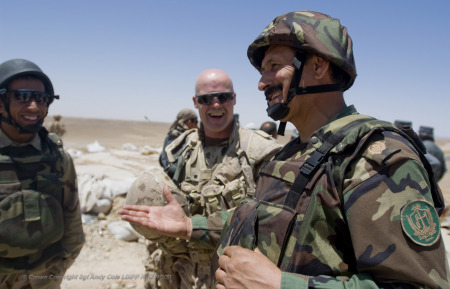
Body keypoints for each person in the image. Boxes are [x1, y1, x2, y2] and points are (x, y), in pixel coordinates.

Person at [211, 11, 449, 288]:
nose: (262, 82)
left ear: (318, 66)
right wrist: (188, 226)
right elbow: (257, 217)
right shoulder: (290, 153)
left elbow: (416, 285)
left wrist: (281, 285)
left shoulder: (374, 157)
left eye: (274, 66)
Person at [120, 68, 282, 289]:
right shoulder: (179, 150)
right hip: (183, 273)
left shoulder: (261, 151)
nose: (215, 105)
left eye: (223, 97)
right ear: (196, 103)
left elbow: (268, 219)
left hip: (229, 276)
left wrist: (191, 227)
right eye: (207, 99)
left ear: (234, 99)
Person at [0, 59, 84, 288]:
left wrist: (59, 267)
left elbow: (73, 220)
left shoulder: (57, 157)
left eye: (42, 99)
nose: (35, 107)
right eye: (23, 97)